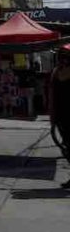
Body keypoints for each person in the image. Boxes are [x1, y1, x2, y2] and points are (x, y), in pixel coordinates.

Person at [49, 46, 70, 187]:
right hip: (61, 114)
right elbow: (52, 95)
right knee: (66, 146)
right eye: (62, 56)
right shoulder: (56, 72)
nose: (63, 59)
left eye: (66, 56)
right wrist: (52, 116)